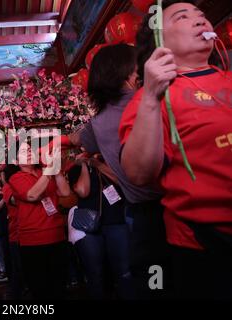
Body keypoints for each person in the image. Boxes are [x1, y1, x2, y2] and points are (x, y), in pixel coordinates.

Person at [119, 0, 232, 299]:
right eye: (183, 17)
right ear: (160, 41)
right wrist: (152, 97)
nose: (199, 21)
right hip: (206, 244)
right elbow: (139, 173)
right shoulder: (151, 98)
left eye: (202, 15)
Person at [57, 44, 170, 298]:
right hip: (173, 205)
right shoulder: (153, 98)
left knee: (151, 282)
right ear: (130, 73)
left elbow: (76, 140)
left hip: (139, 214)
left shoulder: (97, 124)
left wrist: (56, 141)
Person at [7, 140, 71, 299]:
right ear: (15, 161)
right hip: (34, 242)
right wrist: (50, 170)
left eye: (30, 149)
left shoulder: (45, 172)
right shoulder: (16, 178)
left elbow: (65, 192)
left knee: (60, 288)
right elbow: (32, 195)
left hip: (57, 236)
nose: (29, 152)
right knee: (41, 290)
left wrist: (55, 169)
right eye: (23, 152)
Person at [67, 155, 134, 300]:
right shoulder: (75, 169)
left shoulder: (113, 163)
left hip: (116, 223)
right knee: (95, 273)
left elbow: (123, 183)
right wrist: (85, 165)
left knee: (124, 271)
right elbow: (83, 191)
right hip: (90, 228)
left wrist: (98, 164)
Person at [1, 164, 24, 299]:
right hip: (16, 233)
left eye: (3, 175)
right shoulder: (8, 187)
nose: (1, 178)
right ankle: (14, 294)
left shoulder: (12, 185)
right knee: (18, 267)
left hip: (22, 232)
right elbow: (17, 201)